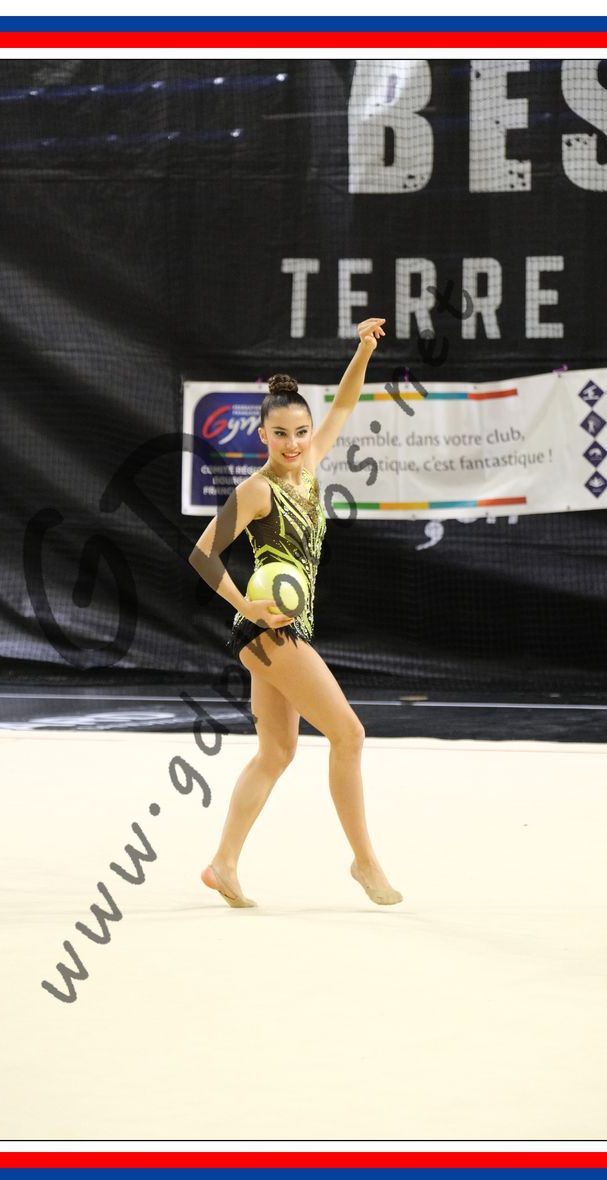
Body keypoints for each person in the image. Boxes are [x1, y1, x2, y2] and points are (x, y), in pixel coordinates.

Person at [188, 317, 403, 909]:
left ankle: (223, 864)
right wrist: (245, 604)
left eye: (301, 432)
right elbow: (202, 553)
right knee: (349, 734)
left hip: (282, 629)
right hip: (268, 631)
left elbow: (346, 404)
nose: (293, 443)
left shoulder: (309, 471)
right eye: (280, 433)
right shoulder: (258, 490)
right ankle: (364, 862)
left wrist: (363, 350)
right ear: (262, 434)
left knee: (277, 752)